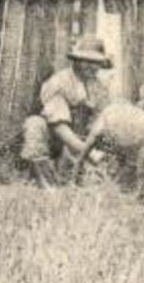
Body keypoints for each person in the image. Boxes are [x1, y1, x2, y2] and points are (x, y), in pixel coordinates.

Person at [18, 35, 113, 188]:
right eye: (86, 61)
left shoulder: (99, 87)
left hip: (79, 140)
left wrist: (103, 148)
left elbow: (103, 121)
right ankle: (44, 182)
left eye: (96, 62)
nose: (91, 67)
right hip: (54, 140)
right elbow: (59, 127)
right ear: (76, 61)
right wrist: (87, 151)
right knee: (34, 125)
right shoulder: (59, 82)